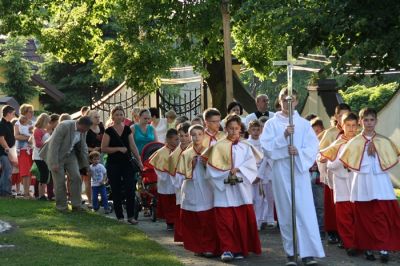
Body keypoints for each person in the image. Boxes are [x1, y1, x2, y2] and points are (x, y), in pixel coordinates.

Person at [261, 88, 325, 265]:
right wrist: (283, 137)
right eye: (284, 99)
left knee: (304, 210)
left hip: (299, 171)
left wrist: (298, 152)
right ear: (279, 100)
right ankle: (291, 252)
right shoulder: (271, 124)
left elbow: (313, 147)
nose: (288, 104)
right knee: (286, 211)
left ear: (296, 102)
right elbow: (266, 148)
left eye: (292, 100)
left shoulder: (304, 124)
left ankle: (308, 253)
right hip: (281, 171)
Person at [339, 108, 400, 263]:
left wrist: (378, 151)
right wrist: (365, 149)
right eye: (365, 120)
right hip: (362, 182)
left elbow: (391, 160)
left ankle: (384, 248)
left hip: (380, 182)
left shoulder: (384, 141)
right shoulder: (354, 142)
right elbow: (348, 163)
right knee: (364, 217)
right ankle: (368, 247)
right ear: (360, 121)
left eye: (372, 120)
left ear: (376, 121)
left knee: (382, 214)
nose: (369, 123)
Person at [204, 114, 262, 262]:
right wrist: (225, 173)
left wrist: (239, 169)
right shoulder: (217, 146)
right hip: (223, 189)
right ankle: (227, 249)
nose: (233, 131)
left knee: (239, 220)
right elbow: (211, 168)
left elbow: (251, 165)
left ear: (240, 129)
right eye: (230, 128)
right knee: (225, 220)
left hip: (241, 188)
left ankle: (240, 248)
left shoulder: (245, 146)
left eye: (236, 128)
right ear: (226, 129)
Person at [319, 112, 358, 256]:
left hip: (356, 183)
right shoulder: (338, 142)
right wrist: (343, 161)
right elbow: (329, 164)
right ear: (342, 125)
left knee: (357, 216)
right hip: (341, 183)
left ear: (358, 125)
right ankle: (349, 244)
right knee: (344, 217)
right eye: (348, 125)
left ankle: (360, 243)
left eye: (354, 126)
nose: (351, 129)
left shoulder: (360, 142)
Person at [175, 124, 216, 256]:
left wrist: (206, 166)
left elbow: (216, 172)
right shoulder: (186, 154)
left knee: (207, 220)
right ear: (189, 136)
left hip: (206, 189)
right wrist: (190, 167)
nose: (196, 137)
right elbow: (179, 177)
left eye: (199, 134)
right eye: (193, 135)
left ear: (203, 136)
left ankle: (208, 246)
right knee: (193, 221)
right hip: (191, 189)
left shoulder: (209, 151)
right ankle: (197, 247)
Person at [40, 116, 92, 211]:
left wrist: (86, 165)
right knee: (59, 181)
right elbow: (54, 145)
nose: (85, 131)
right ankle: (62, 206)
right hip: (56, 154)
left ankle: (77, 205)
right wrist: (54, 162)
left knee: (76, 177)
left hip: (70, 154)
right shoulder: (64, 126)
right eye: (85, 129)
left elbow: (83, 147)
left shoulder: (84, 131)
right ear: (80, 124)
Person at [101, 105, 143, 224]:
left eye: (121, 114)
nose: (119, 116)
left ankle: (130, 216)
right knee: (116, 189)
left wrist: (139, 161)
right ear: (112, 116)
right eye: (117, 114)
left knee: (130, 188)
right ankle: (119, 216)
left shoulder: (127, 129)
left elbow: (133, 146)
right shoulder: (108, 131)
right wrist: (118, 148)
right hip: (113, 164)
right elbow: (103, 148)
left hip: (127, 163)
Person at [318, 103, 351, 245]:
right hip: (333, 173)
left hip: (350, 174)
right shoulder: (330, 133)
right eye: (341, 115)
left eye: (346, 114)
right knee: (332, 204)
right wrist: (325, 170)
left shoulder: (353, 131)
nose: (344, 118)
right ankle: (333, 231)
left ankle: (349, 232)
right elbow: (322, 153)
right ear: (336, 117)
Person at [149, 128, 179, 231]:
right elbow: (158, 168)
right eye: (176, 139)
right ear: (169, 139)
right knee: (168, 204)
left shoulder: (179, 150)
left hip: (176, 182)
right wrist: (168, 174)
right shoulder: (161, 152)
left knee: (175, 203)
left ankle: (176, 221)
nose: (178, 141)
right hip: (166, 183)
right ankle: (169, 222)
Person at [247, 119, 274, 230]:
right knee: (251, 198)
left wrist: (260, 174)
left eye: (258, 129)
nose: (256, 132)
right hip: (250, 174)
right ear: (249, 130)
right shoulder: (246, 144)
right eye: (253, 129)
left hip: (262, 174)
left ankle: (258, 222)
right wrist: (252, 174)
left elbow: (266, 158)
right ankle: (251, 221)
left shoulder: (263, 143)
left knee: (261, 199)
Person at [168, 122, 192, 242]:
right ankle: (183, 235)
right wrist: (180, 180)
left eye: (186, 136)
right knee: (182, 211)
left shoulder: (194, 150)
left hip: (193, 184)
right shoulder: (174, 155)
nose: (183, 139)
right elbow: (172, 172)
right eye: (181, 136)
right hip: (181, 186)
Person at [84, 110, 105, 206]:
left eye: (98, 117)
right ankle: (91, 200)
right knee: (89, 179)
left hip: (100, 156)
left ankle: (101, 198)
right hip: (89, 157)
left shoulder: (101, 126)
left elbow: (105, 139)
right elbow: (82, 145)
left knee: (100, 177)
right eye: (95, 117)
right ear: (90, 118)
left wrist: (101, 147)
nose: (98, 119)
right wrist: (92, 149)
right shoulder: (86, 129)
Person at [309, 117, 326, 237]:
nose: (316, 134)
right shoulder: (310, 145)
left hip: (325, 178)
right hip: (315, 179)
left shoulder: (327, 143)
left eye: (318, 131)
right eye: (314, 131)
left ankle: (324, 228)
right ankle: (319, 229)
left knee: (323, 205)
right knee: (317, 204)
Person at [14, 104, 34, 198]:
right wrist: (28, 138)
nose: (32, 113)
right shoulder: (18, 123)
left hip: (31, 150)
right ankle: (25, 193)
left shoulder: (32, 123)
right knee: (25, 171)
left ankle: (27, 192)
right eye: (30, 111)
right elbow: (16, 136)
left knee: (29, 171)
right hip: (22, 150)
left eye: (32, 112)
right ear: (24, 112)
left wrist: (29, 138)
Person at [32, 113, 51, 201]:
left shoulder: (44, 130)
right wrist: (48, 144)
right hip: (39, 156)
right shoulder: (37, 130)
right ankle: (41, 195)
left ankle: (42, 194)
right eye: (47, 121)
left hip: (44, 155)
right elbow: (38, 144)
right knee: (43, 174)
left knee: (45, 174)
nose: (48, 123)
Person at [0, 105, 16, 197]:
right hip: (3, 152)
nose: (14, 115)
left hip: (10, 151)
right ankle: (5, 192)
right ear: (8, 113)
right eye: (13, 114)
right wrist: (8, 151)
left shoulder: (9, 124)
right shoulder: (1, 124)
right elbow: (1, 139)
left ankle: (4, 191)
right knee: (7, 171)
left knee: (7, 171)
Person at [45, 113, 60, 201]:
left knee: (51, 175)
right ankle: (50, 194)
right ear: (53, 122)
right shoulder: (48, 130)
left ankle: (52, 193)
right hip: (48, 154)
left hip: (52, 154)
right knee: (49, 175)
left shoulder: (54, 130)